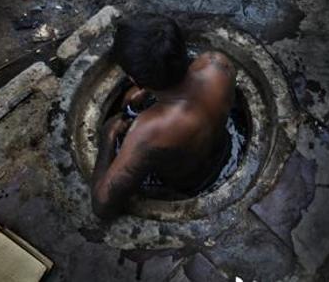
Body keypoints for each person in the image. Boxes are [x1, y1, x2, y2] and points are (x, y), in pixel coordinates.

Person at [91, 14, 236, 219]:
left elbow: (102, 205)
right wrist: (150, 90)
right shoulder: (218, 64)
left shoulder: (149, 130)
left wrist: (107, 137)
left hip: (183, 185)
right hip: (222, 152)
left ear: (133, 79)